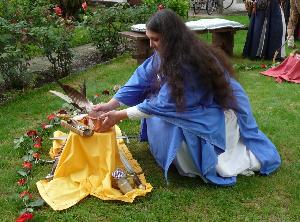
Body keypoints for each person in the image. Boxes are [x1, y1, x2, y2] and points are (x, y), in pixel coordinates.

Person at [93, 9, 281, 186]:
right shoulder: (166, 52)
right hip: (188, 105)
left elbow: (165, 103)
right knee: (159, 117)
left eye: (155, 39)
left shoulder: (187, 61)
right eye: (149, 39)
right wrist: (111, 105)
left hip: (212, 110)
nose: (151, 45)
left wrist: (119, 115)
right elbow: (141, 78)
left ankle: (211, 160)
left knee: (168, 120)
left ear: (170, 37)